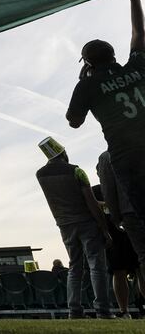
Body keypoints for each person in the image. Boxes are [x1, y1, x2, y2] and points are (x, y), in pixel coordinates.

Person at [67, 0, 145, 222]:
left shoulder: (86, 86)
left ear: (88, 64)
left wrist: (85, 82)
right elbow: (139, 35)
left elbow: (74, 121)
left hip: (128, 158)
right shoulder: (137, 66)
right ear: (113, 56)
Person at [35, 137, 113, 319]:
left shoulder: (40, 175)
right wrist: (104, 229)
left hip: (64, 225)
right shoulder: (77, 172)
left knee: (74, 267)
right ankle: (103, 310)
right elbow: (92, 203)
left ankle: (74, 310)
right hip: (87, 223)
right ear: (63, 152)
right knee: (96, 266)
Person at [97, 151, 145, 289]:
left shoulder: (106, 157)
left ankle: (124, 309)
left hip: (129, 212)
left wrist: (115, 217)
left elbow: (108, 190)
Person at [92, 184, 141, 318]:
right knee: (119, 271)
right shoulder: (96, 191)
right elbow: (92, 205)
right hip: (114, 236)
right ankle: (124, 310)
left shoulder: (125, 187)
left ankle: (126, 309)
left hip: (130, 232)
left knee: (139, 270)